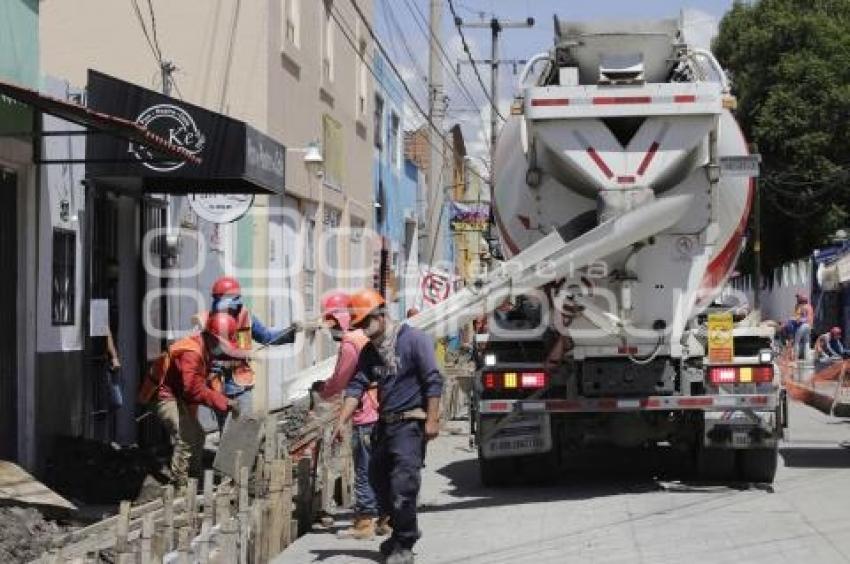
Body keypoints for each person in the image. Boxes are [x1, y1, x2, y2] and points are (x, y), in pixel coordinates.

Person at [332, 289, 443, 564]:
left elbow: (433, 380)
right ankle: (400, 532)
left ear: (381, 316)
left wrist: (432, 419)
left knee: (403, 485)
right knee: (378, 480)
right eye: (358, 326)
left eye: (365, 323)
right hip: (386, 426)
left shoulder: (414, 340)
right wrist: (341, 421)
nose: (363, 331)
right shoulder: (371, 351)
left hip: (410, 424)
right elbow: (356, 385)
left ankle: (405, 544)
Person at [312, 291, 389, 540]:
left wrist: (323, 390)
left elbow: (342, 378)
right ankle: (386, 518)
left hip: (365, 413)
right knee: (381, 468)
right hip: (381, 411)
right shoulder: (365, 338)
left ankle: (365, 521)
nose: (332, 330)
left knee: (364, 469)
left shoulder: (350, 342)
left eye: (332, 324)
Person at [196, 276, 302, 427]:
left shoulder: (246, 318)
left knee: (242, 427)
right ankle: (227, 450)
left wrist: (290, 332)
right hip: (216, 383)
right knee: (225, 431)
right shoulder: (208, 320)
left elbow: (267, 336)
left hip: (240, 382)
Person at [153, 313, 242, 487]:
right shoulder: (191, 353)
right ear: (210, 337)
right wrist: (224, 402)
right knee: (185, 437)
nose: (223, 349)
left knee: (198, 435)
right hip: (166, 397)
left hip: (179, 396)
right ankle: (179, 485)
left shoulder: (204, 347)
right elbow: (193, 390)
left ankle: (193, 477)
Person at [791, 292, 813, 361]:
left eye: (799, 299)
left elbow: (800, 318)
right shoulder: (810, 306)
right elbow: (809, 317)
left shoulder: (802, 307)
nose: (797, 300)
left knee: (797, 341)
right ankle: (807, 357)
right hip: (809, 326)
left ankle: (795, 358)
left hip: (803, 325)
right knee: (807, 342)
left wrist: (797, 320)